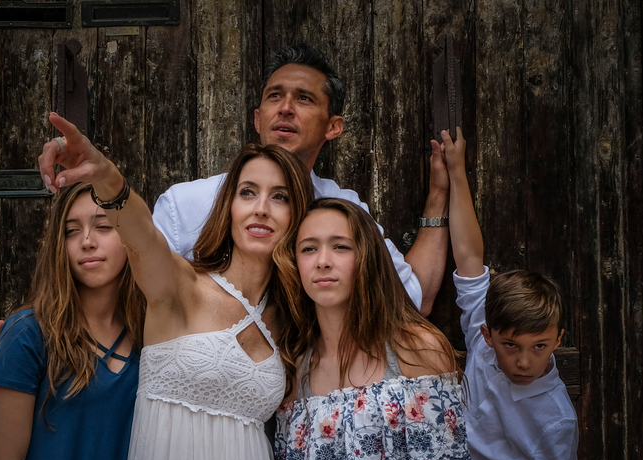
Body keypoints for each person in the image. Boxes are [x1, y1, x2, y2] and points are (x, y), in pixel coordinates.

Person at [38, 112, 315, 460]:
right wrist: (105, 176)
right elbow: (141, 235)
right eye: (248, 192)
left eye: (280, 196)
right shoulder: (181, 286)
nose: (261, 209)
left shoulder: (291, 318)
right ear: (229, 206)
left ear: (296, 215)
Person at [146, 44, 449, 316]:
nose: (286, 108)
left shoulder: (344, 209)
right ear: (257, 118)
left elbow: (412, 299)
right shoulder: (184, 205)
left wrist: (439, 195)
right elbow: (145, 308)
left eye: (304, 99)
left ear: (333, 127)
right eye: (275, 96)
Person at [275, 197, 469, 460]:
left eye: (340, 246)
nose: (323, 261)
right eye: (308, 248)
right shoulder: (299, 369)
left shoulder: (415, 348)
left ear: (367, 256)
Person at [0, 183, 147, 460]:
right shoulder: (28, 333)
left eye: (103, 226)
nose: (87, 241)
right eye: (72, 232)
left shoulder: (151, 335)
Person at [440, 127, 578, 460]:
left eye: (540, 347)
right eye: (510, 345)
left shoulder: (555, 419)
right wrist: (456, 171)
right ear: (486, 334)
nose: (523, 361)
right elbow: (469, 257)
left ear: (557, 339)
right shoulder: (483, 342)